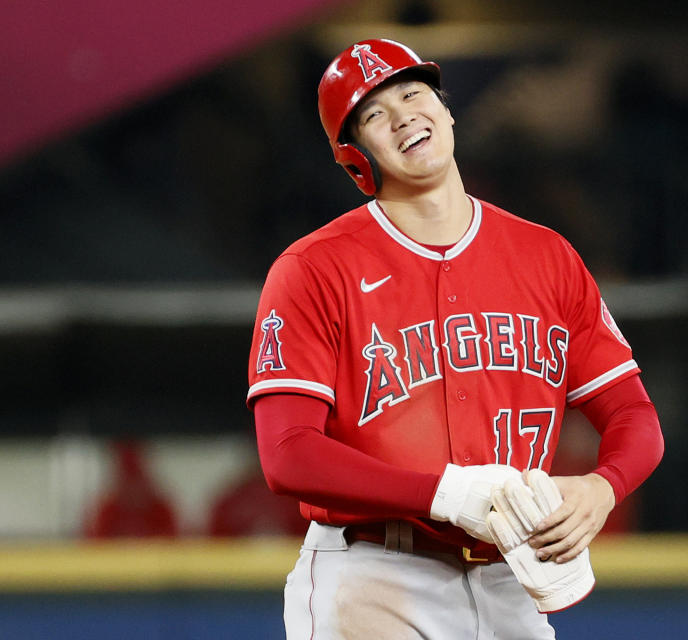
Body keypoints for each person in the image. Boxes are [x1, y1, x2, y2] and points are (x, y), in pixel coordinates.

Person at [247, 39, 664, 639]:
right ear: (356, 158)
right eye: (374, 115)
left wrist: (603, 487)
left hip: (510, 579)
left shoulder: (546, 257)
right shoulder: (314, 268)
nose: (403, 116)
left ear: (446, 110)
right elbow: (287, 452)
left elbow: (632, 413)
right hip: (373, 573)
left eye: (414, 94)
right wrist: (441, 493)